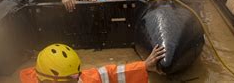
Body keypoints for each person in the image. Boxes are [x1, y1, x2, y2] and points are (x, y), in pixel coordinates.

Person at [19, 43, 166, 83]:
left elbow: (106, 74)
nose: (77, 80)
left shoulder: (75, 77)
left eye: (77, 75)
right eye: (70, 81)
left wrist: (144, 66)